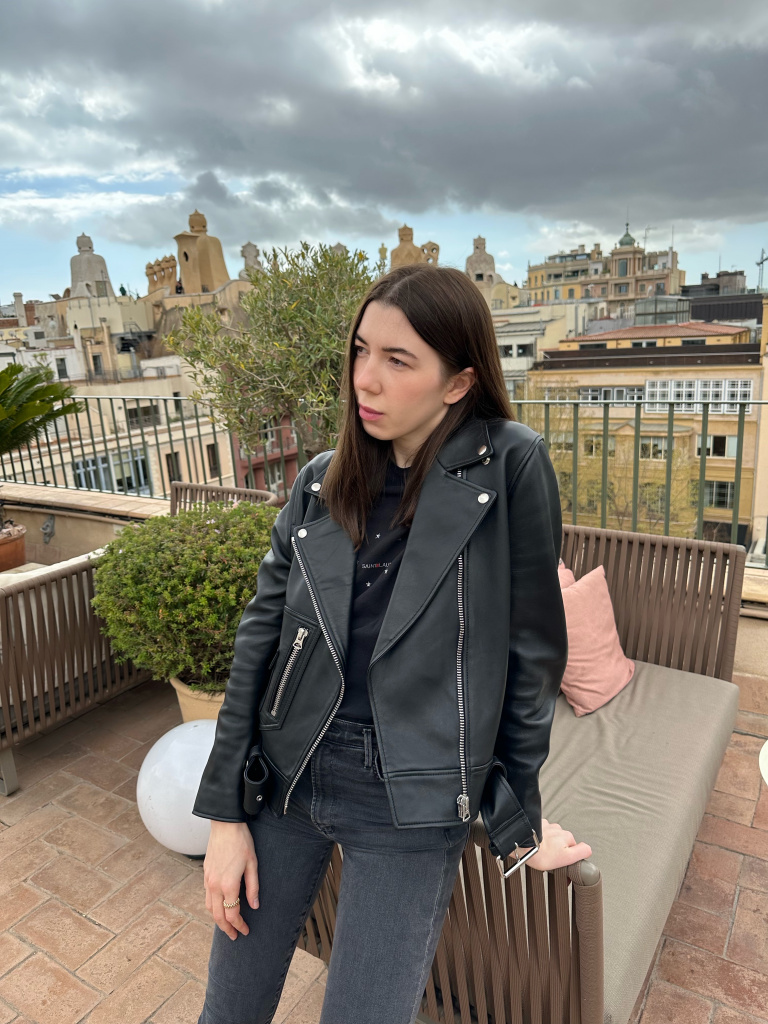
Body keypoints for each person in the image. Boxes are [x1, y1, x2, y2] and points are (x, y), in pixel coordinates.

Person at [193, 263, 592, 1024]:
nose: (364, 380)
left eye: (398, 360)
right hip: (289, 772)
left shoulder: (510, 466)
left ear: (458, 382)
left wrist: (515, 815)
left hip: (410, 797)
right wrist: (225, 817)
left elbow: (533, 655)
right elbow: (261, 638)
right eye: (360, 351)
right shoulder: (322, 481)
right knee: (229, 1009)